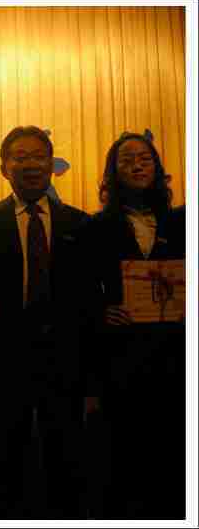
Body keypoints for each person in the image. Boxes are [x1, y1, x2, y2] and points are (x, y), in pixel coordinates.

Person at [0, 126, 93, 519]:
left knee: (66, 453)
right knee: (6, 453)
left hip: (65, 358)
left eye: (39, 156)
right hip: (5, 358)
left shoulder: (80, 224)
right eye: (20, 157)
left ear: (52, 164)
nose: (31, 164)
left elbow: (90, 296)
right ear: (4, 168)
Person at [85, 132, 185, 519]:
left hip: (175, 355)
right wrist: (100, 312)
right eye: (126, 160)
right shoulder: (97, 227)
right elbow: (81, 289)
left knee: (173, 452)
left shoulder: (180, 222)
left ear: (157, 168)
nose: (137, 165)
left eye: (144, 158)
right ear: (113, 172)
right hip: (121, 356)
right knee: (123, 452)